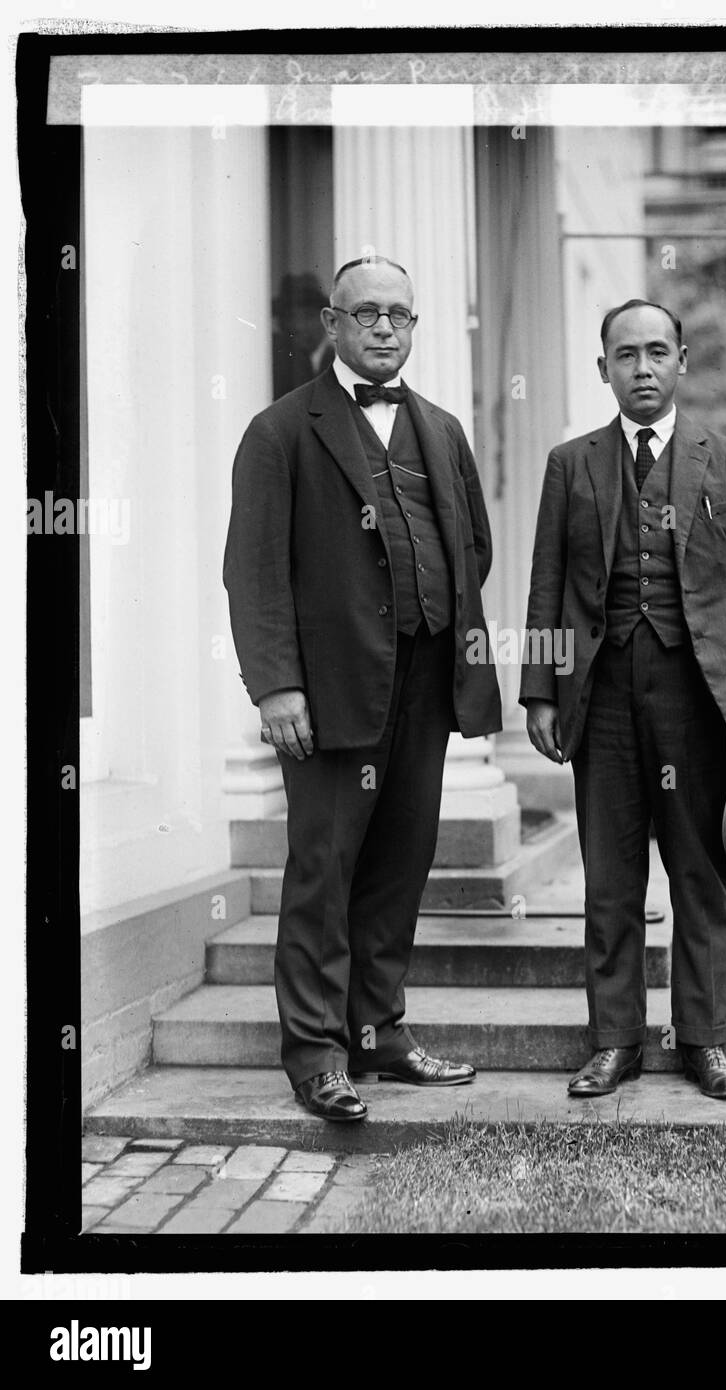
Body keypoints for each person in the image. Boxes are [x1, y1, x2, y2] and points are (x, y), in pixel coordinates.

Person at [224, 255, 502, 1121]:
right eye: (367, 313)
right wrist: (278, 688)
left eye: (401, 316)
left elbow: (475, 550)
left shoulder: (442, 429)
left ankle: (379, 1033)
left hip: (423, 683)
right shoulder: (280, 432)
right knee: (324, 870)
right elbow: (253, 572)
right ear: (331, 323)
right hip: (331, 691)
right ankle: (315, 1054)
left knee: (398, 864)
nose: (385, 328)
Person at [520, 298, 726, 1101]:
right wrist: (539, 690)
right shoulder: (571, 463)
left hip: (697, 694)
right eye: (625, 355)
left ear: (681, 363)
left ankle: (705, 1040)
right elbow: (545, 588)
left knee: (699, 872)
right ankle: (615, 1042)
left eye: (656, 353)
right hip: (600, 693)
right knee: (609, 876)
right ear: (601, 368)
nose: (642, 368)